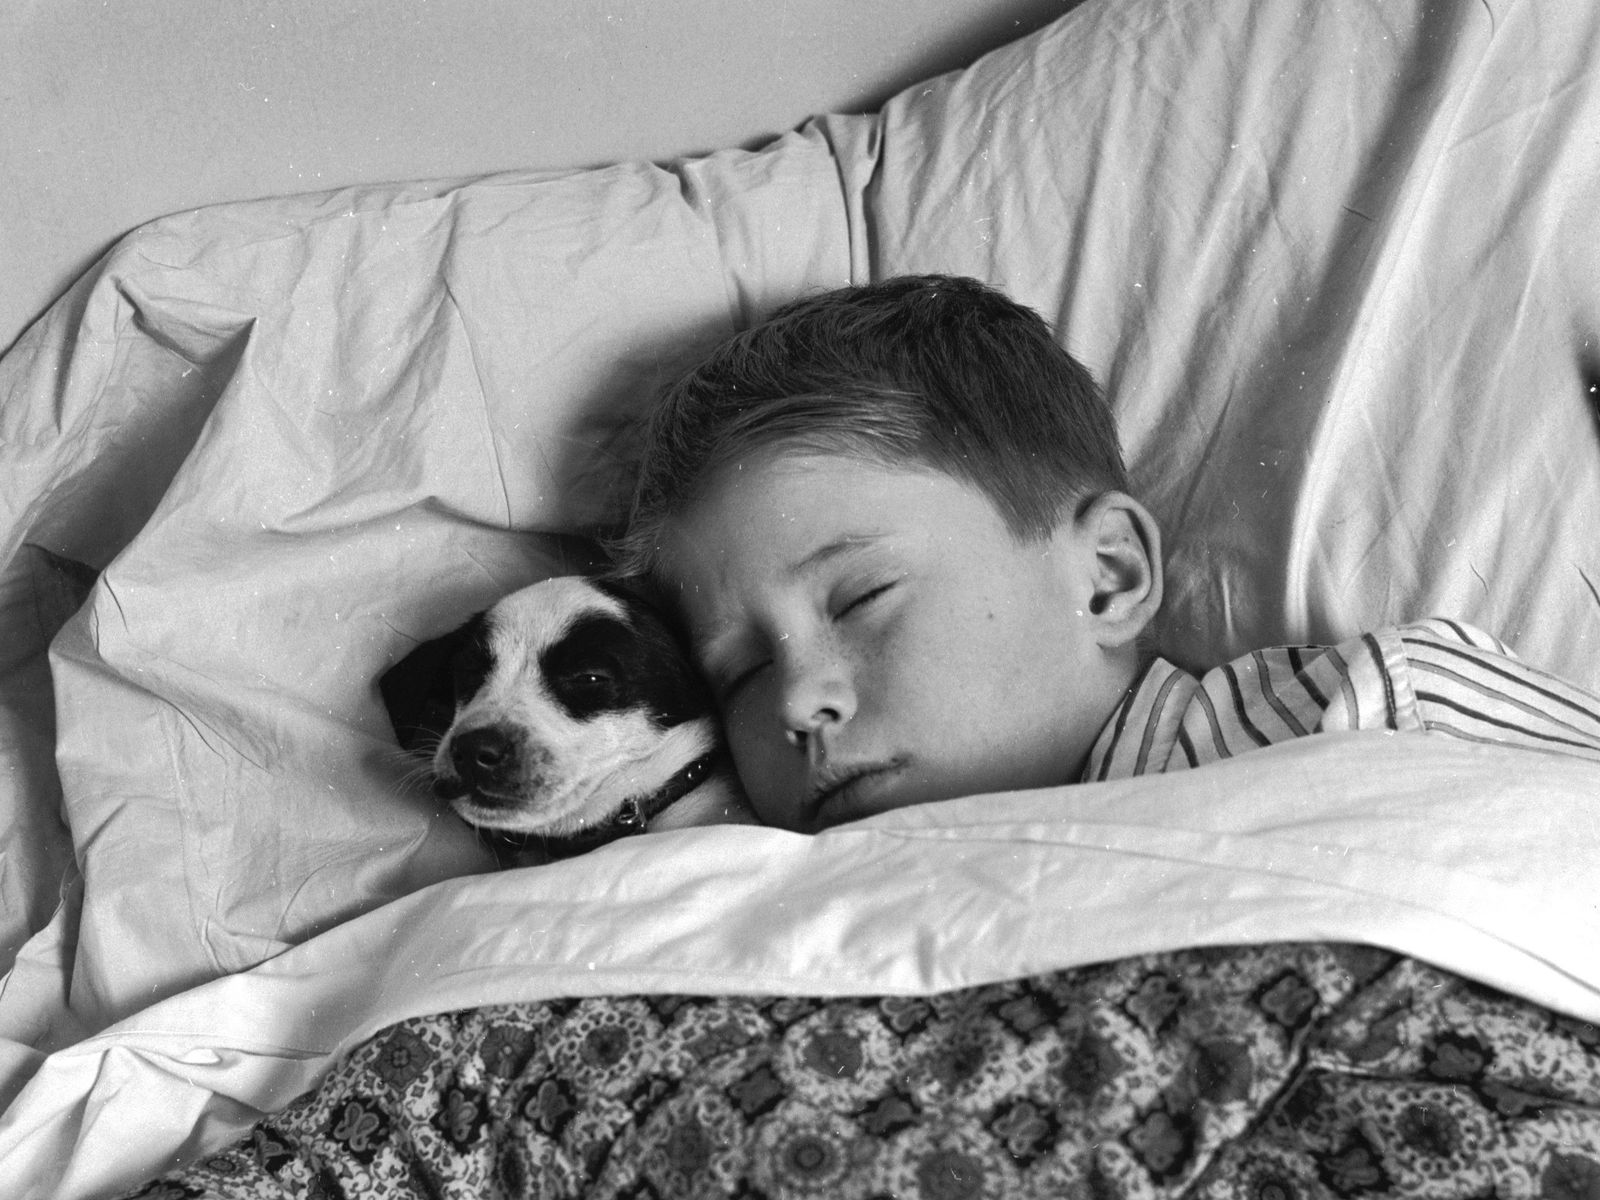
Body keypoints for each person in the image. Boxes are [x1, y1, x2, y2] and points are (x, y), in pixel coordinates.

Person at [615, 275, 1600, 832]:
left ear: (1108, 576)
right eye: (740, 672)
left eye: (860, 596)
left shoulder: (1373, 716)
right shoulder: (799, 900)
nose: (795, 702)